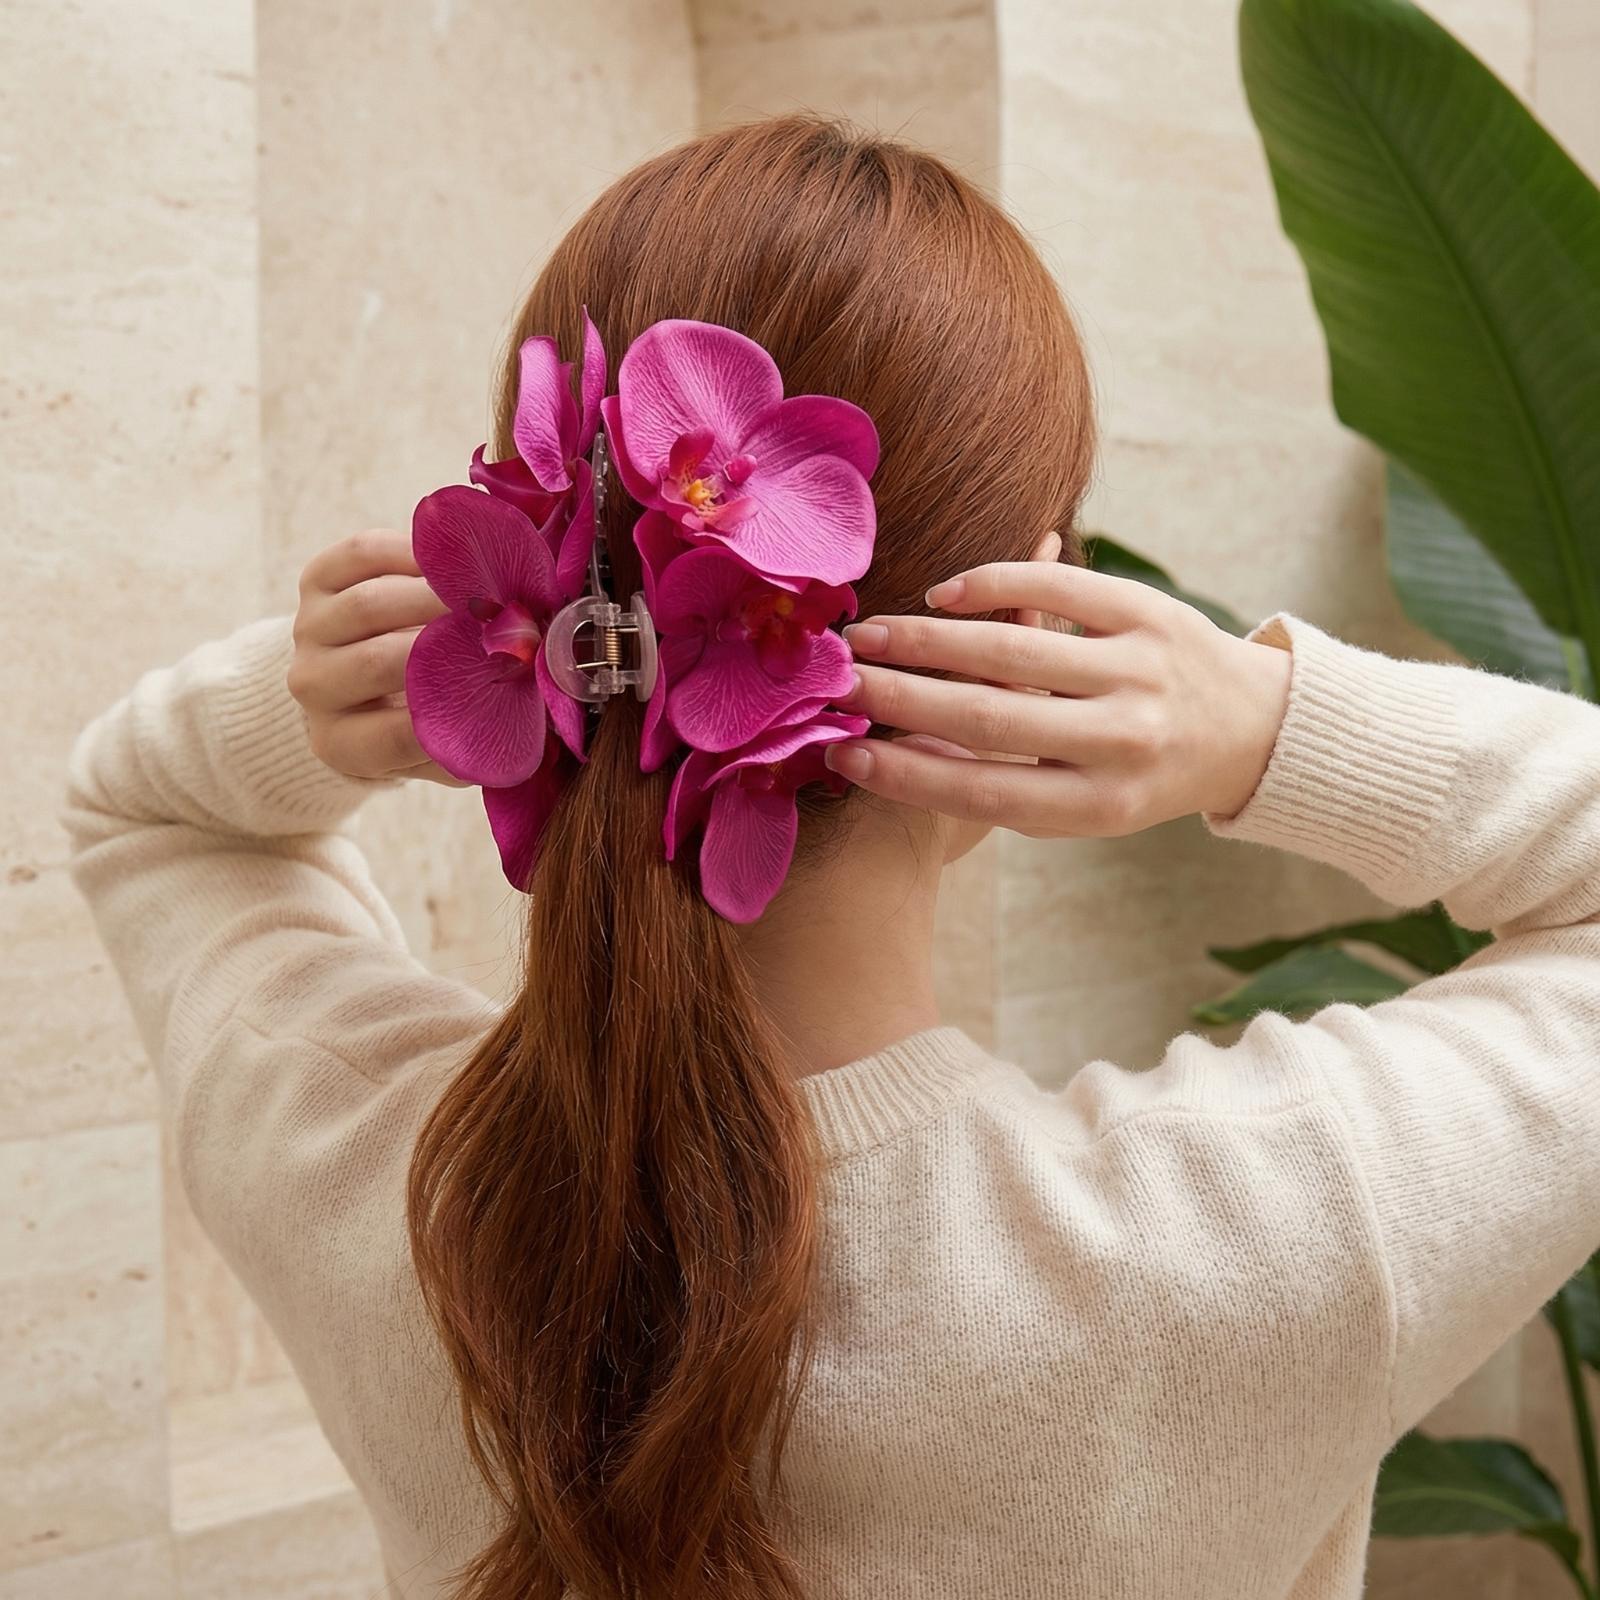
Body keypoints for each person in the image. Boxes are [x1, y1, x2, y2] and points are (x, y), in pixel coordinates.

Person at [63, 116, 1600, 1600]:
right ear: (1033, 624)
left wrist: (385, 683)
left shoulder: (362, 1168)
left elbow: (143, 811)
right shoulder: (1263, 1232)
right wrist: (1265, 724)